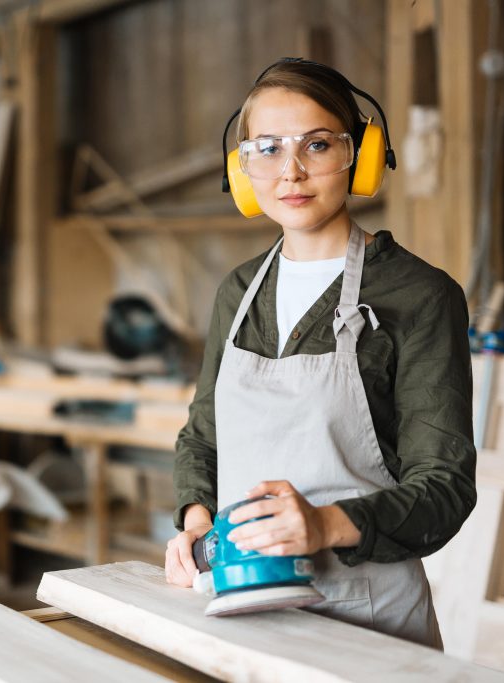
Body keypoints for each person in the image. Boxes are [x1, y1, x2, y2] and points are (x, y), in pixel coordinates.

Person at [164, 58, 476, 651]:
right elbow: (202, 438)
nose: (292, 171)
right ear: (241, 168)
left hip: (369, 615)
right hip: (242, 604)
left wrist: (324, 525)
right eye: (268, 148)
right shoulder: (238, 293)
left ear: (359, 155)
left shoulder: (420, 295)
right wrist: (198, 528)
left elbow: (445, 489)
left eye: (317, 144)